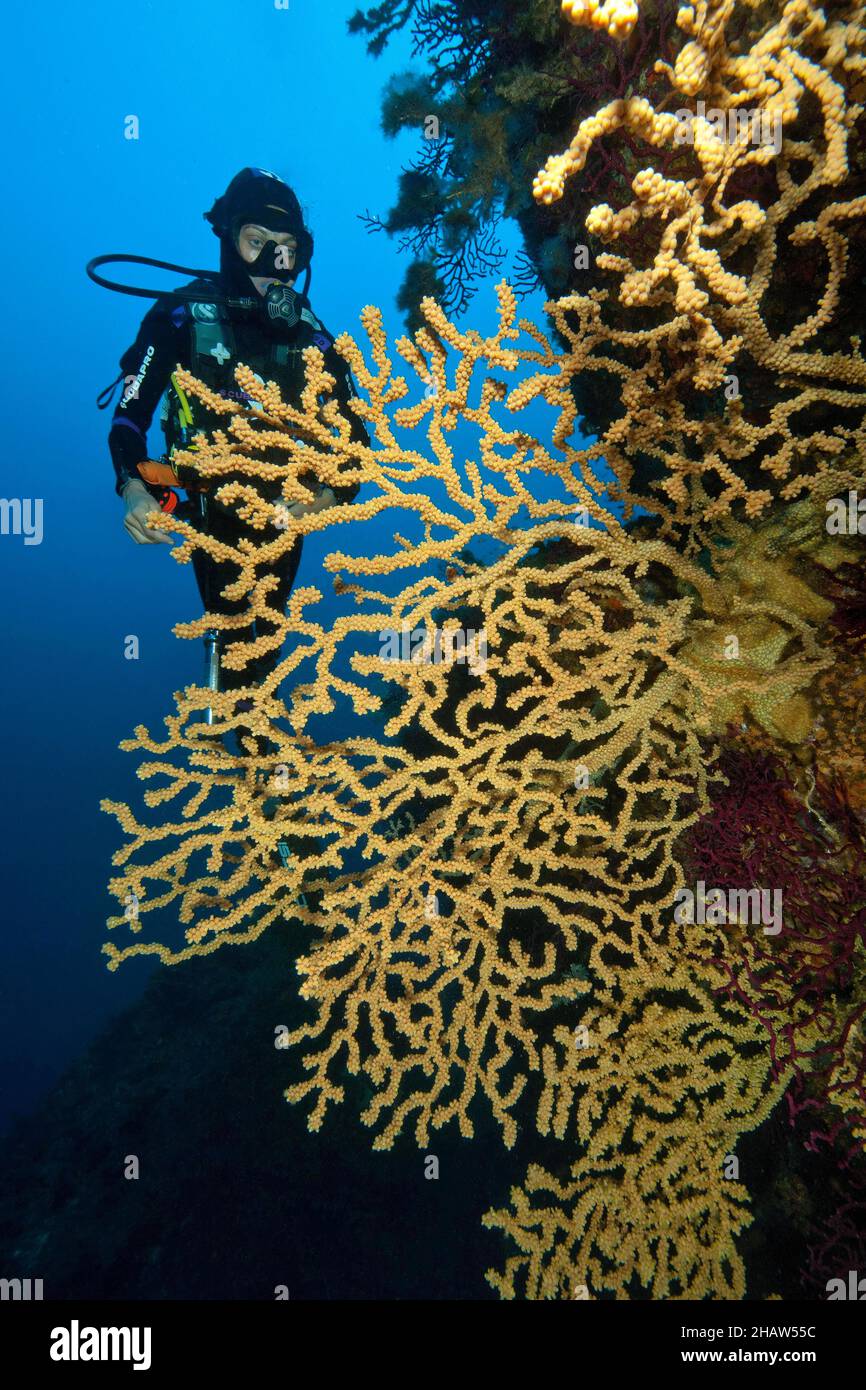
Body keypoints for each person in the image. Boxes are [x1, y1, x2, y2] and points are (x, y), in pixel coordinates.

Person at [108, 167, 363, 697]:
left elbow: (356, 447)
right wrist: (135, 488)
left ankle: (263, 745)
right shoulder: (179, 317)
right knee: (227, 637)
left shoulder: (313, 337)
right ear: (228, 241)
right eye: (257, 243)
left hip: (284, 508)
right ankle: (230, 712)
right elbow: (129, 418)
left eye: (288, 248)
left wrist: (324, 497)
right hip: (202, 500)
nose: (276, 263)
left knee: (269, 639)